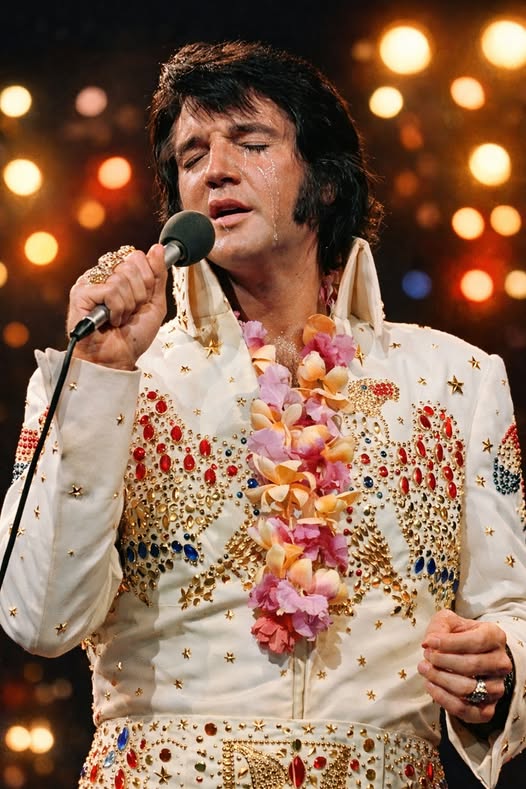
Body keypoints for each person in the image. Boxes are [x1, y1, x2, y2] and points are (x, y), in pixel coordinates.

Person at [1, 40, 525, 789]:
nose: (214, 169)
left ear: (328, 181)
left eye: (250, 143)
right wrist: (100, 377)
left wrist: (501, 664)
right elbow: (38, 619)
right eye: (191, 156)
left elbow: (512, 607)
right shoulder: (112, 372)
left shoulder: (457, 380)